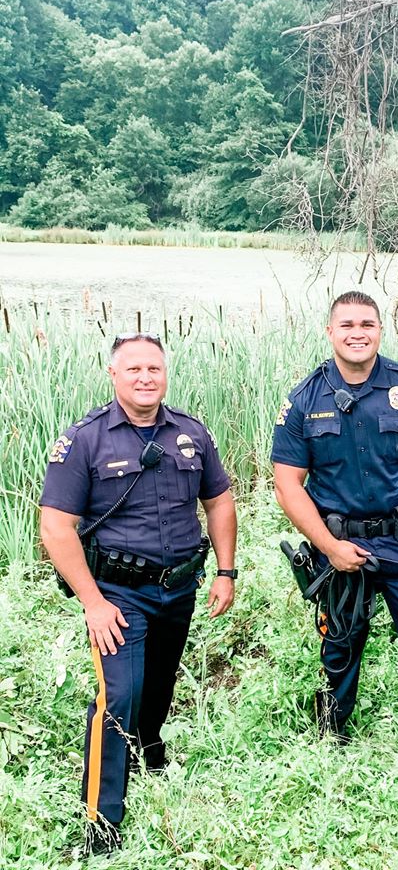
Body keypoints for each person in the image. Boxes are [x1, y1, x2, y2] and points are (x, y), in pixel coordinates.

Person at [40, 333, 237, 854]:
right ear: (113, 375)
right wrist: (93, 603)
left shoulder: (191, 433)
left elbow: (218, 501)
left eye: (154, 368)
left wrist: (225, 571)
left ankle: (150, 749)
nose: (146, 377)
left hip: (179, 588)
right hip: (117, 596)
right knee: (117, 700)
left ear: (165, 373)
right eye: (134, 370)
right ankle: (101, 826)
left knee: (159, 683)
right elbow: (57, 527)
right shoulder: (85, 439)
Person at [272, 292, 398, 777]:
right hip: (342, 545)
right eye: (346, 324)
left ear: (381, 330)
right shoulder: (305, 399)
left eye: (367, 323)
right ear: (329, 331)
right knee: (339, 641)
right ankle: (333, 730)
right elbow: (287, 484)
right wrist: (329, 547)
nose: (357, 333)